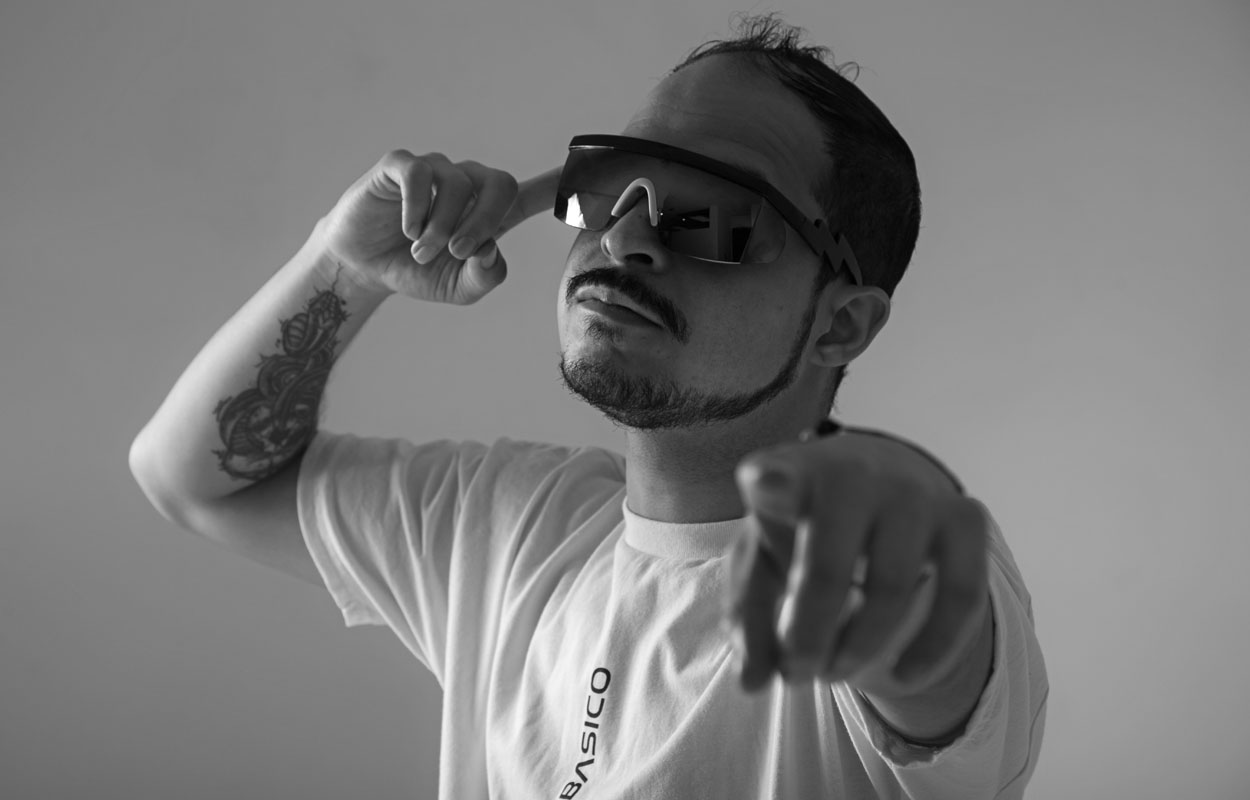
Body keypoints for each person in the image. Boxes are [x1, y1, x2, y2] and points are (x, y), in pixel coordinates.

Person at [129, 13, 1047, 799]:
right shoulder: (512, 529)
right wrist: (342, 268)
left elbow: (925, 637)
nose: (629, 234)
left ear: (840, 325)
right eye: (612, 181)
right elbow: (191, 480)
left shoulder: (882, 559)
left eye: (714, 213)